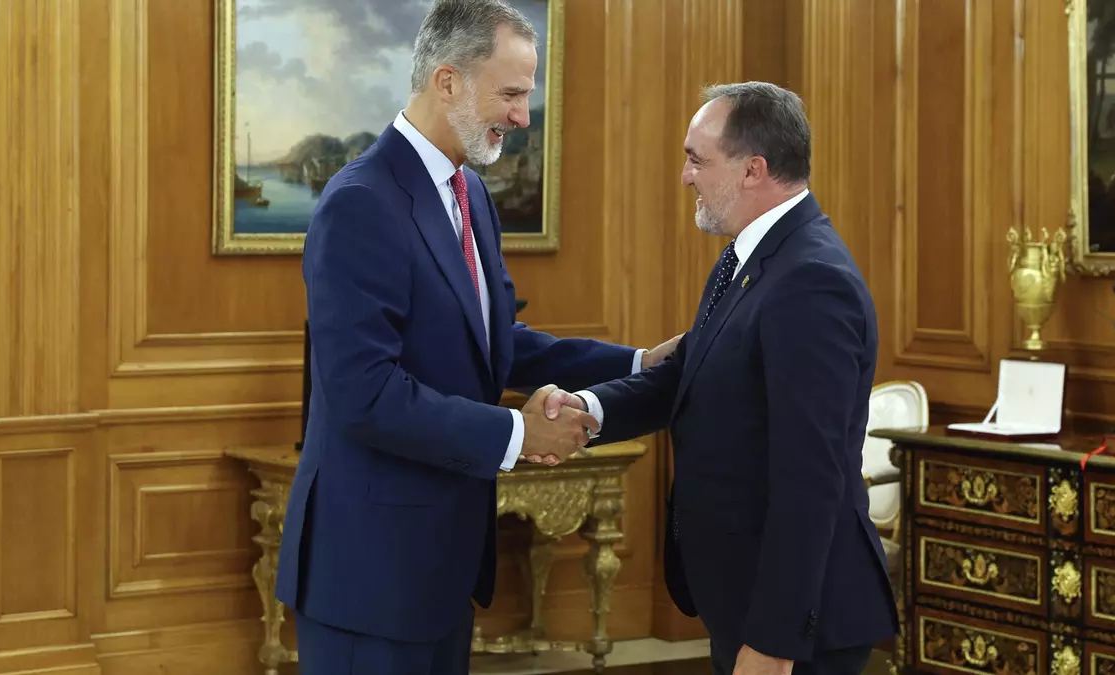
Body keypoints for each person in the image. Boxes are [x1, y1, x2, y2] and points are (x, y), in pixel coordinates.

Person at [274, 1, 680, 673]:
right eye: (512, 94)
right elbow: (364, 394)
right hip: (367, 576)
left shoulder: (469, 192)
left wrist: (638, 362)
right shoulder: (360, 202)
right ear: (447, 81)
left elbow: (495, 342)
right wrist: (519, 432)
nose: (524, 117)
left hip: (441, 571)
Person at [547, 82, 899, 675]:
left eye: (697, 160)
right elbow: (687, 375)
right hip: (743, 596)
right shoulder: (749, 256)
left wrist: (774, 642)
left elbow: (810, 478)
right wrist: (587, 410)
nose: (686, 177)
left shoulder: (812, 280)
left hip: (797, 624)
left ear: (753, 169)